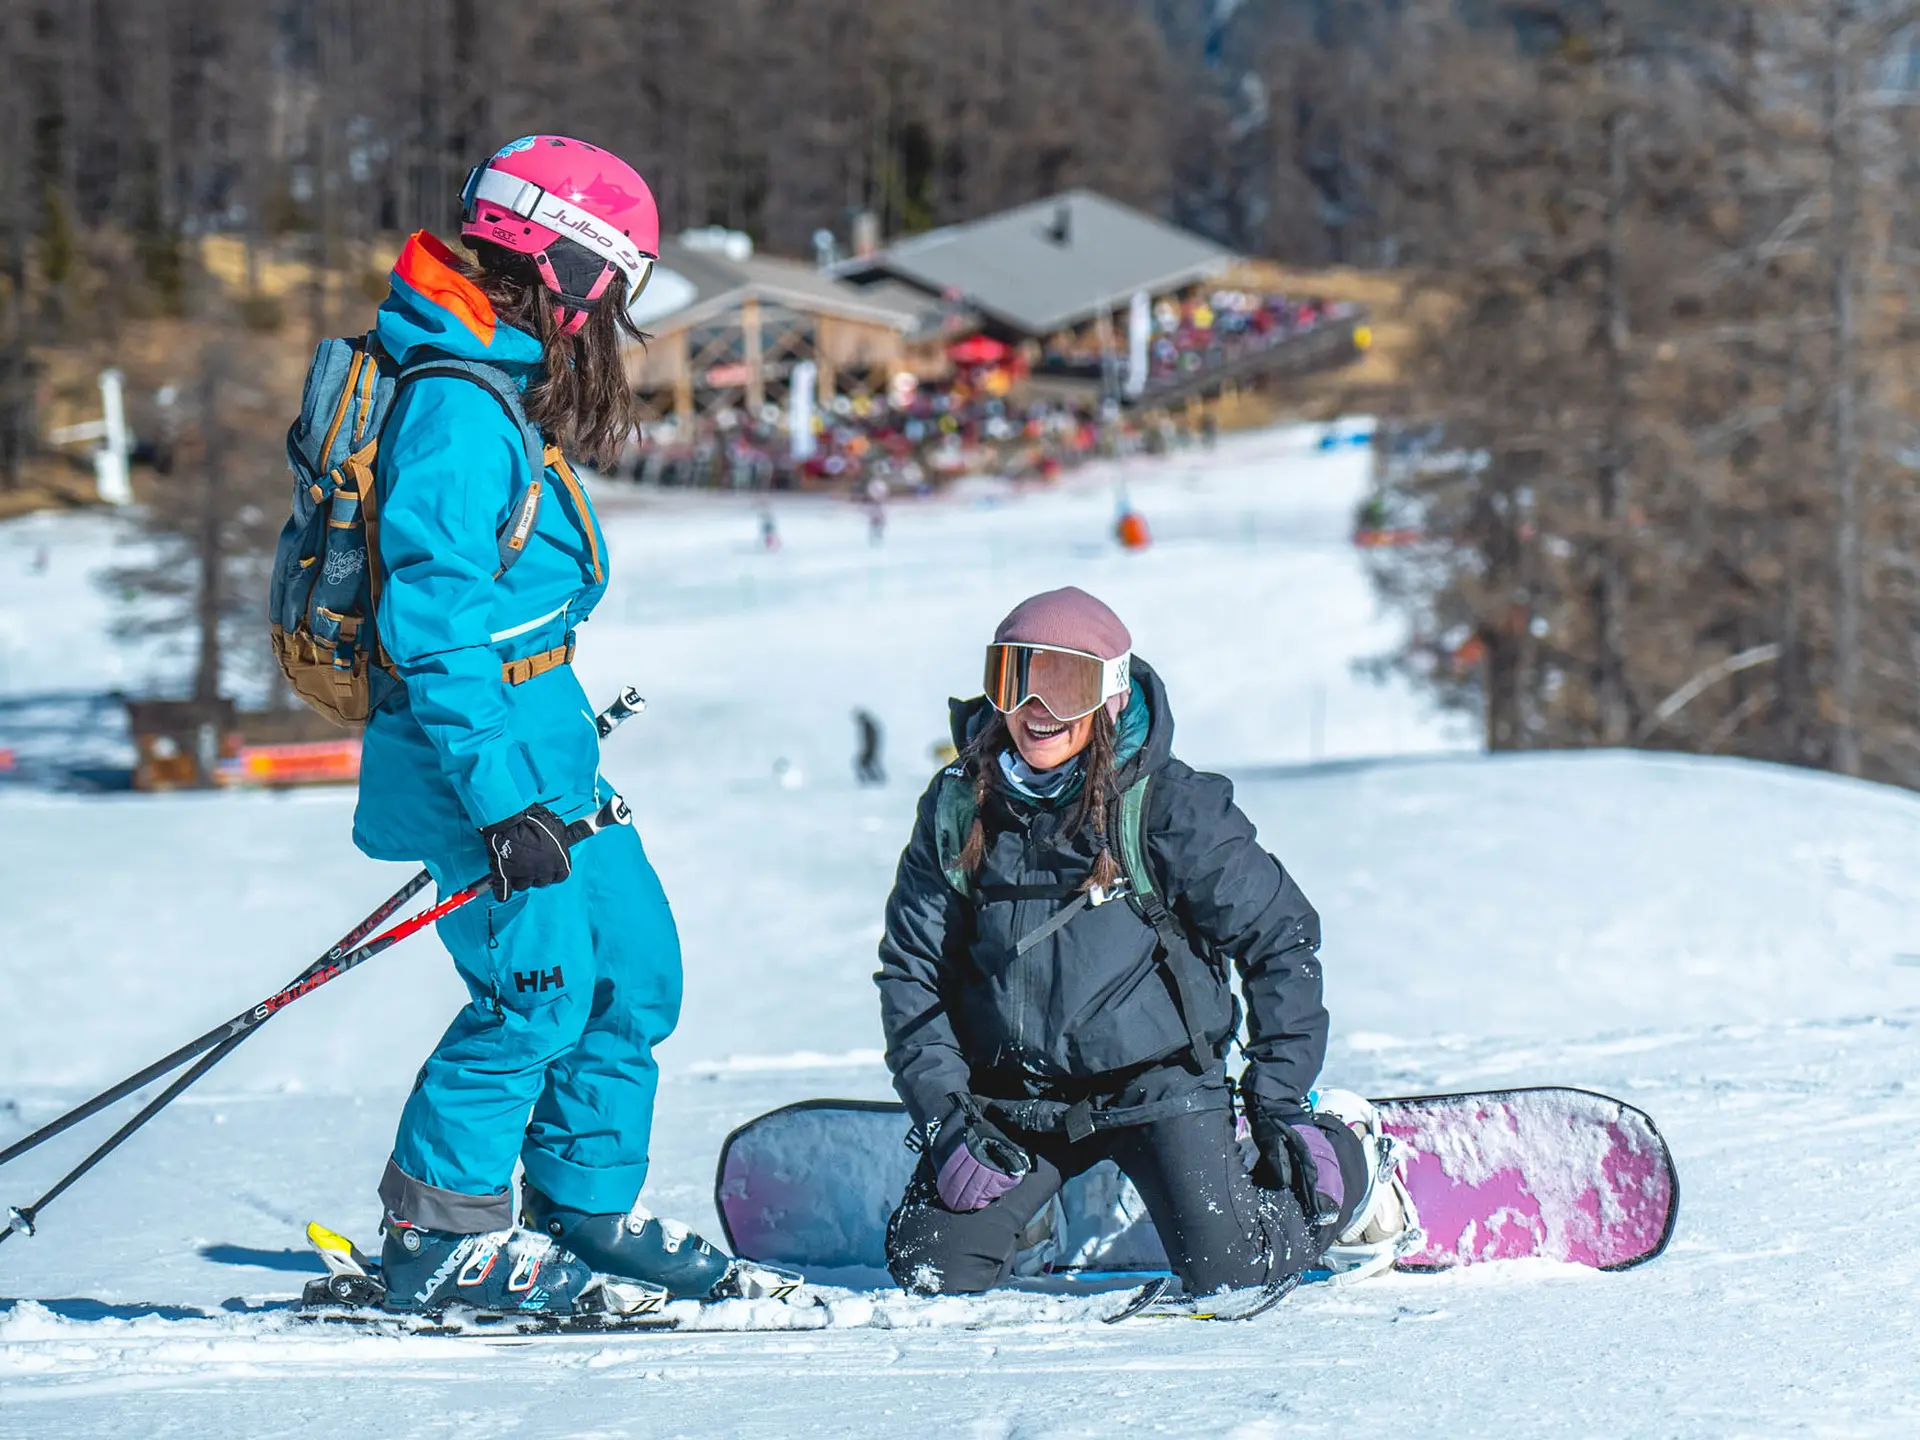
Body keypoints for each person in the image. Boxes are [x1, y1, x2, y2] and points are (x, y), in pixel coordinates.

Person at [353, 134, 739, 1315]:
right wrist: (502, 800)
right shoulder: (457, 408)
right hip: (474, 758)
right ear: (563, 265)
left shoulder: (499, 375)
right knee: (539, 991)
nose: (616, 311)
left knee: (632, 972)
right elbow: (434, 627)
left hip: (542, 732)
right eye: (615, 280)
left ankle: (584, 1205)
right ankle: (435, 1240)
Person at [874, 587, 1409, 1297]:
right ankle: (1031, 1217)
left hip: (1157, 1086)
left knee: (1233, 1273)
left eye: (1064, 683)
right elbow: (912, 971)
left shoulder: (1167, 805)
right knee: (930, 1268)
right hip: (1016, 1097)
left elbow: (1281, 937)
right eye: (1014, 678)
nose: (1035, 708)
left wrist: (1277, 1099)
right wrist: (948, 1118)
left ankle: (1353, 1155)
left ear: (1111, 695)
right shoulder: (961, 804)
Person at [852, 707, 886, 787]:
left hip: (869, 749)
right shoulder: (869, 725)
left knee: (864, 764)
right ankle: (876, 778)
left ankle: (873, 779)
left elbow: (870, 739)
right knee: (868, 764)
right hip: (870, 748)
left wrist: (869, 749)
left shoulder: (868, 726)